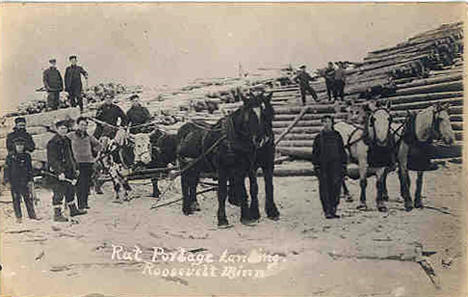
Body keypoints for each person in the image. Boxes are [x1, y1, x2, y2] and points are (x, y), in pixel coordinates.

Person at [47, 120, 87, 222]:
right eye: (61, 128)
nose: (64, 130)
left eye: (65, 128)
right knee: (59, 192)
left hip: (69, 170)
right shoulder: (53, 142)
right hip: (59, 172)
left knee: (70, 190)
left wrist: (76, 168)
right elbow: (52, 159)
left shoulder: (67, 140)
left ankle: (73, 210)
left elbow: (71, 156)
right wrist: (59, 172)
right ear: (57, 129)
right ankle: (57, 214)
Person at [312, 115, 347, 219]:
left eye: (329, 122)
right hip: (323, 167)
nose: (327, 124)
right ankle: (327, 210)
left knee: (336, 188)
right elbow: (315, 153)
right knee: (325, 189)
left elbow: (342, 151)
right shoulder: (319, 137)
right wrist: (316, 166)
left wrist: (344, 165)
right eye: (324, 122)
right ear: (322, 123)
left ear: (332, 123)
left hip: (336, 166)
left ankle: (333, 209)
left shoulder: (337, 136)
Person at [67, 117, 102, 210]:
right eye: (82, 124)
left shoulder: (89, 137)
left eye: (85, 125)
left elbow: (99, 145)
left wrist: (93, 153)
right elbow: (63, 143)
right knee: (79, 184)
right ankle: (80, 204)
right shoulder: (71, 135)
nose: (83, 127)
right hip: (77, 163)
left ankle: (85, 203)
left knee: (87, 184)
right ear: (77, 125)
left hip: (88, 162)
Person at [3, 137, 39, 223]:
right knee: (16, 200)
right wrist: (7, 181)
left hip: (24, 181)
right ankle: (18, 217)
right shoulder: (10, 157)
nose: (20, 147)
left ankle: (32, 215)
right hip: (14, 182)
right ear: (15, 146)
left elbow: (30, 169)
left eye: (21, 145)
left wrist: (31, 180)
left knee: (28, 199)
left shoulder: (27, 156)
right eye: (18, 145)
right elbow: (6, 170)